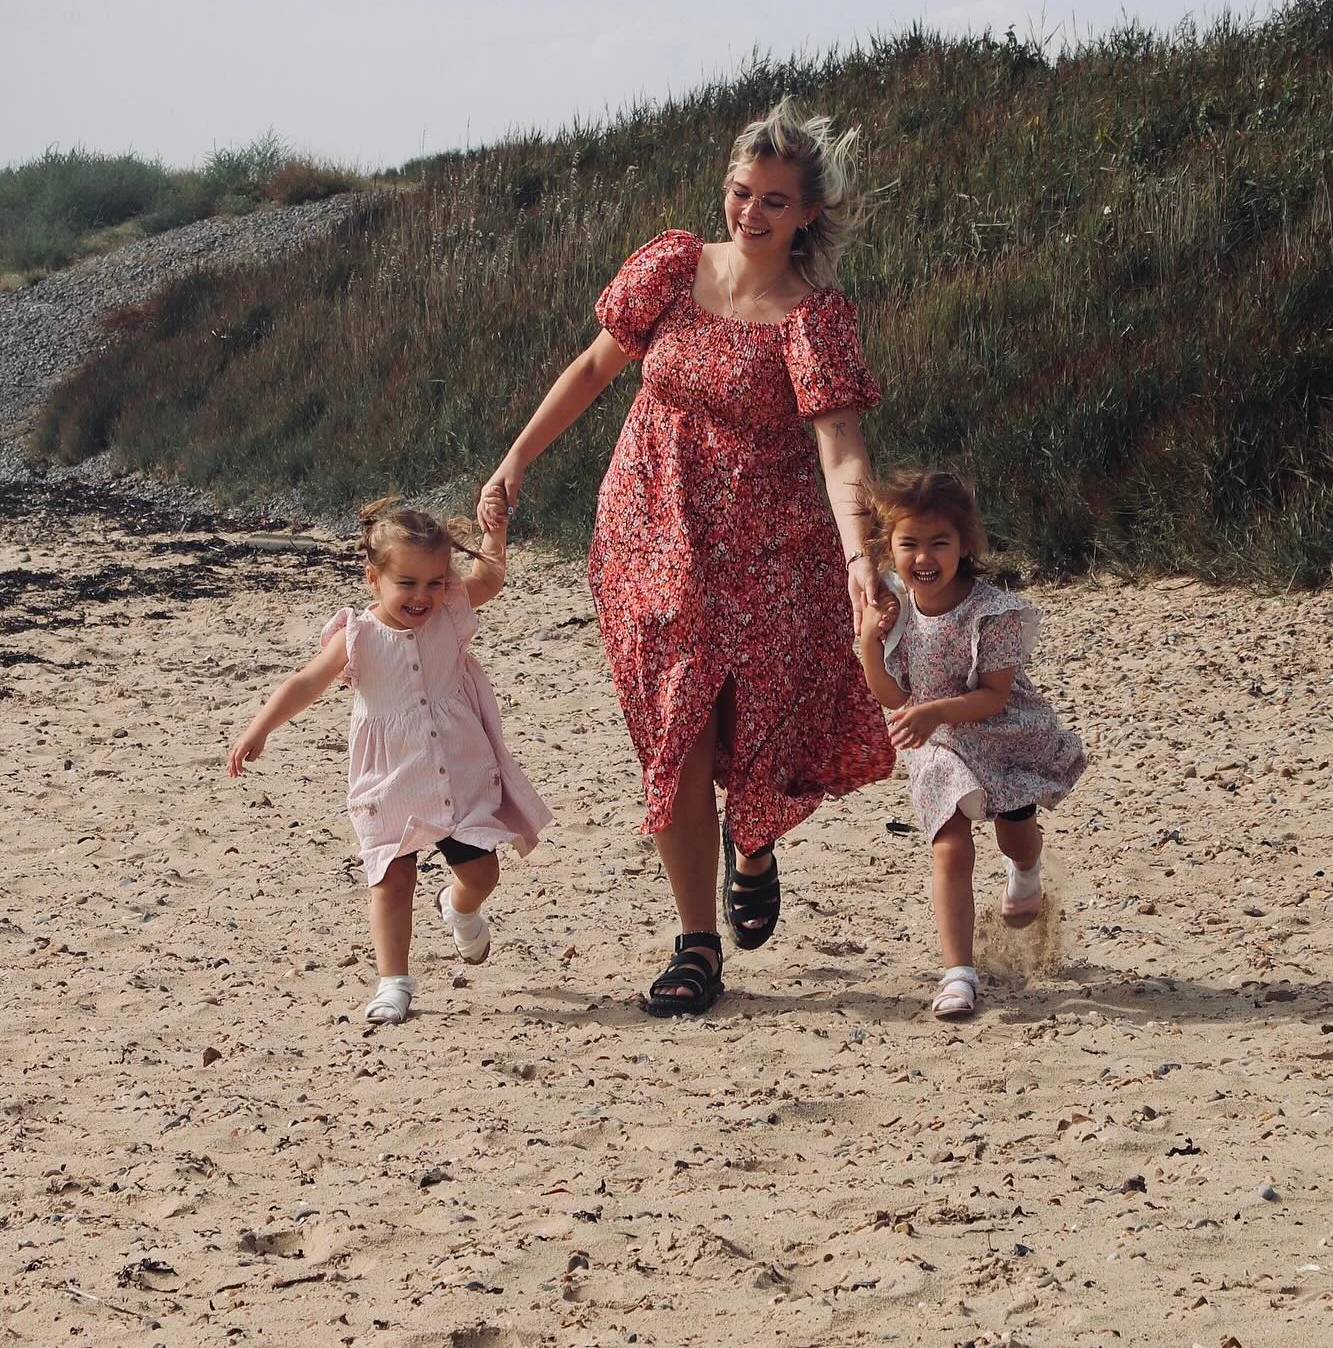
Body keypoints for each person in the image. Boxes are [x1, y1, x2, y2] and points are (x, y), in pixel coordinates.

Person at [480, 97, 894, 1016]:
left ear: (808, 213)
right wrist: (516, 459)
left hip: (770, 550)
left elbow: (840, 448)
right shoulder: (671, 266)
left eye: (775, 201)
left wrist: (859, 555)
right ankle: (695, 943)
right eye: (742, 193)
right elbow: (594, 368)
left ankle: (754, 842)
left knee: (758, 735)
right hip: (650, 530)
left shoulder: (812, 318)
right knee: (679, 732)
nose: (751, 213)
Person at [227, 499, 550, 1025]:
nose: (423, 596)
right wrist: (259, 728)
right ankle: (393, 982)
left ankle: (459, 907)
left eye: (434, 582)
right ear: (373, 578)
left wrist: (496, 533)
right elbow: (305, 682)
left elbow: (488, 579)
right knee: (391, 880)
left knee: (482, 870)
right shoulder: (358, 635)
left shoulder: (449, 612)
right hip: (389, 777)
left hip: (457, 768)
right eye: (407, 583)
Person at [856, 470, 1085, 1020]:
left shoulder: (991, 611)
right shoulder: (893, 606)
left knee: (1015, 834)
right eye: (909, 543)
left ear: (964, 545)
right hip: (938, 745)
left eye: (940, 543)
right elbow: (892, 691)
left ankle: (1026, 872)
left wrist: (931, 710)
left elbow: (992, 695)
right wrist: (868, 637)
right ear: (890, 547)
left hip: (1000, 732)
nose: (924, 556)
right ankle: (959, 972)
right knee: (950, 846)